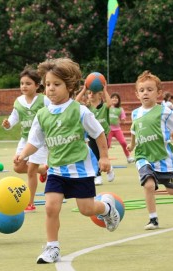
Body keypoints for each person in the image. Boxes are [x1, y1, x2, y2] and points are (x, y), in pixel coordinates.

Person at [15, 58, 121, 264]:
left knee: (87, 209)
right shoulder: (42, 114)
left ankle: (107, 208)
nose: (51, 89)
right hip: (56, 169)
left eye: (56, 84)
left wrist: (105, 157)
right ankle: (52, 247)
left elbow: (99, 134)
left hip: (80, 169)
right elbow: (34, 141)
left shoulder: (79, 110)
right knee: (50, 207)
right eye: (47, 85)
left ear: (70, 86)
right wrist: (23, 154)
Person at [127, 71, 173, 230]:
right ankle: (153, 219)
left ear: (158, 93)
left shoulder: (164, 111)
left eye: (150, 89)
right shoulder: (135, 113)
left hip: (163, 158)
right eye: (142, 90)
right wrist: (132, 146)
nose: (145, 93)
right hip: (143, 156)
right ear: (137, 94)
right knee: (149, 185)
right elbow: (134, 131)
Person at [2, 67, 49, 213]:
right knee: (17, 167)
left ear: (36, 85)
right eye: (22, 83)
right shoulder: (18, 102)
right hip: (25, 140)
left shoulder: (44, 100)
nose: (24, 86)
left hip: (40, 142)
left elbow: (53, 114)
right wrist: (8, 124)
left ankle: (30, 203)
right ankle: (42, 170)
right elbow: (14, 118)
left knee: (30, 172)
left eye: (28, 83)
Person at [75, 81, 115, 185]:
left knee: (102, 155)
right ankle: (98, 176)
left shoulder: (104, 106)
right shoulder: (87, 108)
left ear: (100, 95)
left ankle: (109, 168)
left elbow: (110, 103)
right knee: (94, 156)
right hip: (91, 136)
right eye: (89, 93)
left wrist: (105, 90)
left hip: (103, 135)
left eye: (93, 93)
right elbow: (75, 102)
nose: (91, 94)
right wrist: (83, 89)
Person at [108, 92, 135, 164]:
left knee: (123, 142)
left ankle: (128, 157)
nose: (114, 99)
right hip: (108, 130)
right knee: (107, 145)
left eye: (116, 98)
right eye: (113, 98)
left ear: (118, 100)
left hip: (117, 129)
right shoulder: (107, 108)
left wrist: (123, 120)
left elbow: (123, 119)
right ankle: (103, 157)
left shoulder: (120, 109)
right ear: (110, 99)